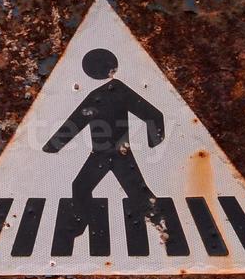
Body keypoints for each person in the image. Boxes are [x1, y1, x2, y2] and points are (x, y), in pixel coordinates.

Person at [43, 48, 164, 216]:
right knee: (81, 187)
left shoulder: (110, 92)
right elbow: (76, 122)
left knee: (134, 193)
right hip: (103, 153)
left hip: (115, 153)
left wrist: (53, 146)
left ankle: (162, 222)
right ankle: (84, 222)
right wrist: (155, 139)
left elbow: (152, 114)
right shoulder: (102, 93)